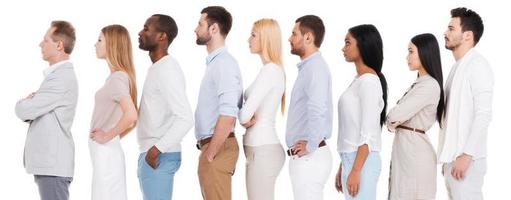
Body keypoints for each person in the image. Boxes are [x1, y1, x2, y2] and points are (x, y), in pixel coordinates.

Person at [15, 21, 78, 200]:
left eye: (45, 40)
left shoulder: (61, 78)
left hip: (53, 166)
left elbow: (23, 111)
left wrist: (24, 103)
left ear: (59, 45)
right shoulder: (56, 77)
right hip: (50, 165)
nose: (40, 44)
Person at [137, 14, 194, 200]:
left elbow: (185, 117)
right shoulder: (158, 68)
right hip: (154, 155)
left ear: (162, 36)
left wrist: (156, 150)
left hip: (159, 156)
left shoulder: (167, 69)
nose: (140, 32)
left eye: (146, 29)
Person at [438, 7, 493, 200]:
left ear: (467, 35)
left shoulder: (477, 65)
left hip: (467, 160)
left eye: (451, 29)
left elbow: (483, 114)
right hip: (454, 160)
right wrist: (447, 159)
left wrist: (467, 155)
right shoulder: (457, 67)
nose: (445, 33)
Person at [386, 33, 444, 200]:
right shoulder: (420, 83)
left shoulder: (430, 85)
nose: (407, 57)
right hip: (407, 148)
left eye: (411, 51)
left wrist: (391, 122)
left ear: (424, 52)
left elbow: (393, 116)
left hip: (415, 154)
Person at [194, 6, 243, 200]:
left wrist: (211, 153)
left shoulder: (223, 64)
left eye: (200, 24)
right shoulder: (216, 64)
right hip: (214, 147)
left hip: (217, 147)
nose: (195, 29)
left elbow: (229, 113)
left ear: (213, 28)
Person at [334, 24, 386, 200]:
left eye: (348, 43)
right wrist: (343, 166)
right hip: (352, 159)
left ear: (362, 45)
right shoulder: (359, 81)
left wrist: (355, 170)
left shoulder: (369, 82)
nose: (343, 48)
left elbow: (368, 133)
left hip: (362, 163)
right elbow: (352, 127)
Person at [286, 15, 333, 200]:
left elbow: (317, 109)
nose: (290, 39)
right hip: (306, 159)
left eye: (294, 34)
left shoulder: (315, 68)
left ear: (308, 37)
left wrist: (311, 145)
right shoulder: (309, 68)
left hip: (309, 159)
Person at [89, 24, 138, 200]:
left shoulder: (117, 78)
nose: (95, 44)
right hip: (106, 150)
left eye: (100, 40)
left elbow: (132, 116)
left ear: (112, 44)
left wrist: (108, 136)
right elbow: (132, 122)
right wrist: (113, 137)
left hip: (106, 153)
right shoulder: (116, 78)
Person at [239, 18, 286, 200]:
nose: (248, 39)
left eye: (253, 35)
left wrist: (240, 114)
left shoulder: (271, 71)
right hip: (260, 150)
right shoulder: (269, 70)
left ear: (265, 39)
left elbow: (244, 115)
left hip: (263, 150)